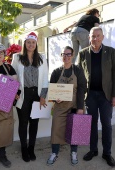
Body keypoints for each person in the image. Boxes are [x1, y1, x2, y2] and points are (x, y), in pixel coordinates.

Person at [78, 27, 115, 167]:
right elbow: (79, 76)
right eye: (93, 36)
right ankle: (93, 150)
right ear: (89, 38)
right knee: (92, 124)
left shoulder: (111, 52)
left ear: (103, 37)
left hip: (106, 95)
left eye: (98, 36)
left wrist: (114, 95)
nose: (96, 39)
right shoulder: (82, 54)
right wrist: (80, 98)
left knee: (106, 125)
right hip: (90, 95)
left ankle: (107, 153)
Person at [11, 32, 48, 162]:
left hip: (36, 95)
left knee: (34, 123)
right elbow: (13, 77)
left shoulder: (42, 58)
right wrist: (14, 92)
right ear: (25, 44)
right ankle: (24, 148)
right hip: (23, 94)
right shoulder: (17, 58)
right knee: (23, 122)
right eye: (28, 42)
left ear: (36, 43)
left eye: (33, 42)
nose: (30, 44)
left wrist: (43, 96)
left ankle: (31, 148)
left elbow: (45, 79)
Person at [47, 46, 87, 166]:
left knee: (75, 131)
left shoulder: (78, 71)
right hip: (60, 106)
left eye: (68, 54)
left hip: (75, 105)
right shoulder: (56, 72)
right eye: (64, 54)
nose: (66, 57)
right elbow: (52, 88)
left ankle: (74, 152)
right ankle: (54, 152)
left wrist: (80, 107)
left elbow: (82, 88)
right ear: (61, 56)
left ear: (72, 55)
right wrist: (55, 98)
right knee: (56, 129)